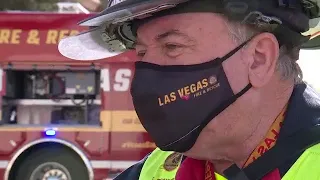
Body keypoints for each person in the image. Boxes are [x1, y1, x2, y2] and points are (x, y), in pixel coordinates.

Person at [58, 0, 320, 179]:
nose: (147, 76)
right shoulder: (159, 169)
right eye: (141, 53)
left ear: (258, 59)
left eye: (172, 47)